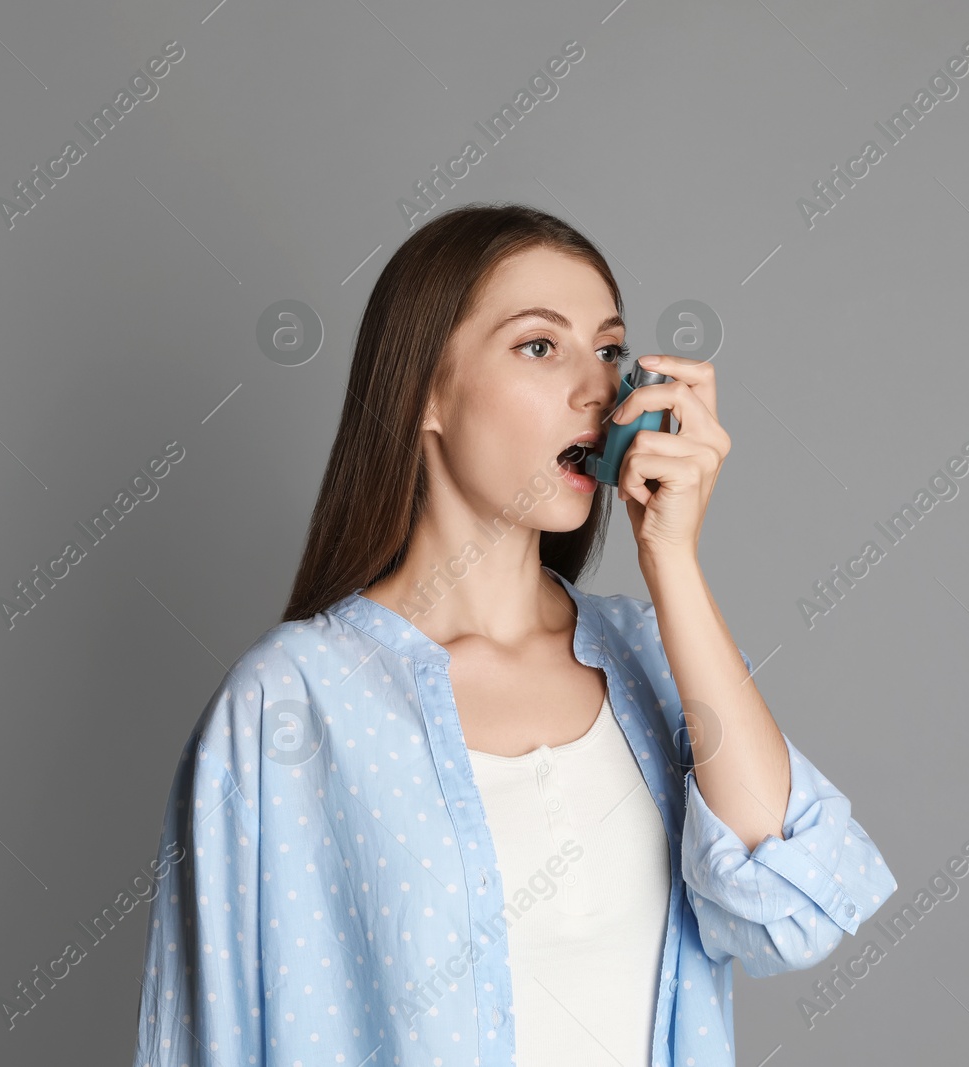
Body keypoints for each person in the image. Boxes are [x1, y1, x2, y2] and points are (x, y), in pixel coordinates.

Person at [129, 202, 897, 1067]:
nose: (597, 388)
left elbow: (790, 909)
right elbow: (213, 1039)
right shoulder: (292, 702)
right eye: (541, 346)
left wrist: (670, 558)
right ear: (425, 391)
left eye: (610, 350)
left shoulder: (654, 651)